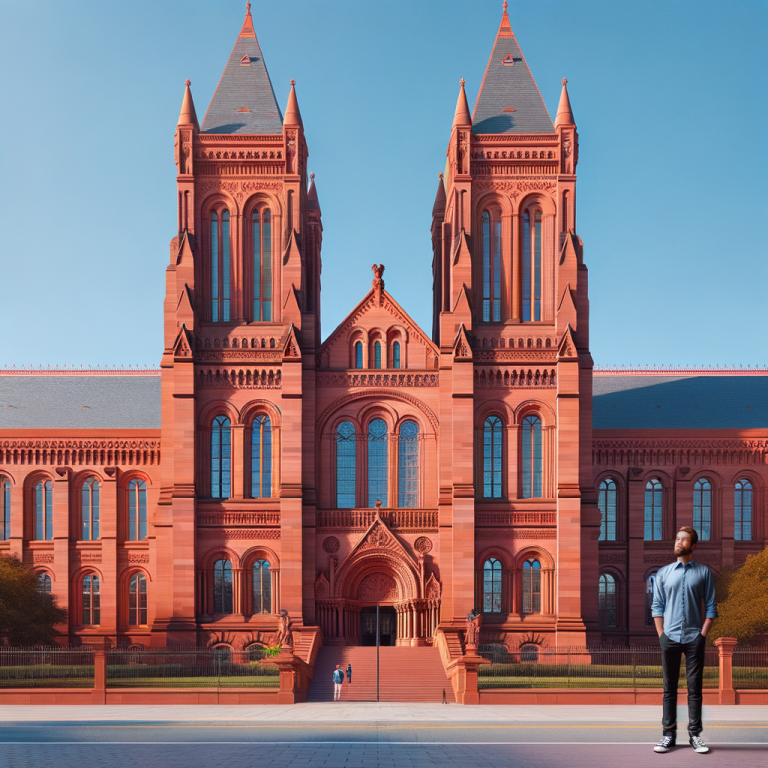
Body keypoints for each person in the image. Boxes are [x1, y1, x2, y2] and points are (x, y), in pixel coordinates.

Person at [651, 526, 718, 754]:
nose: (678, 542)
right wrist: (661, 636)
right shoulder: (663, 573)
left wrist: (702, 635)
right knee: (669, 689)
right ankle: (668, 735)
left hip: (693, 638)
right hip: (669, 636)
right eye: (677, 538)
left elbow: (711, 606)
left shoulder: (704, 573)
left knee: (694, 689)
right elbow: (657, 606)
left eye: (684, 539)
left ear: (693, 546)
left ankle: (694, 735)